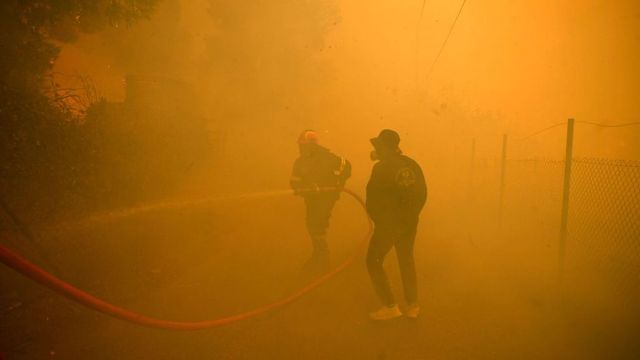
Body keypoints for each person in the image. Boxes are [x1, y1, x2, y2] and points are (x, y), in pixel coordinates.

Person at [365, 129, 427, 320]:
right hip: (409, 223)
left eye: (377, 146)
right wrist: (411, 217)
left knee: (373, 261)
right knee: (406, 259)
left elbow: (372, 199)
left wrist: (380, 221)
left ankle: (390, 306)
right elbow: (422, 193)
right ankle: (413, 306)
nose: (375, 150)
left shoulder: (381, 168)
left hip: (388, 225)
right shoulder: (412, 164)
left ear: (384, 148)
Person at [290, 130, 352, 273]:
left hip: (326, 198)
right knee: (312, 225)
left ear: (312, 146)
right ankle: (319, 254)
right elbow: (294, 181)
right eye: (300, 146)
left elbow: (346, 166)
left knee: (317, 224)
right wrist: (302, 188)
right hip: (311, 198)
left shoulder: (328, 158)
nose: (301, 149)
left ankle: (322, 258)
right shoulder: (300, 162)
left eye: (303, 146)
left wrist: (338, 181)